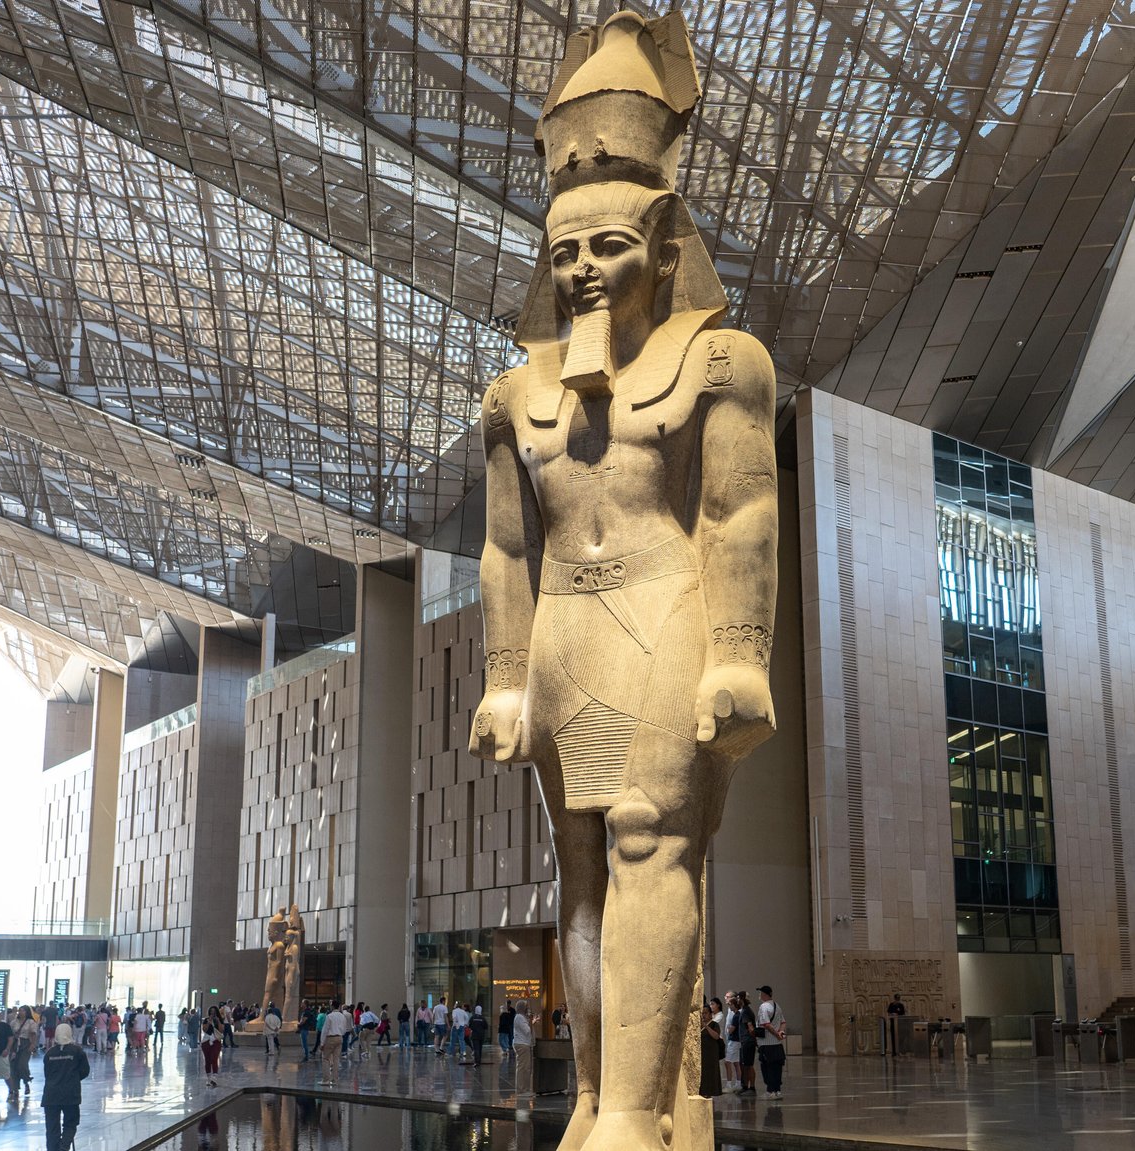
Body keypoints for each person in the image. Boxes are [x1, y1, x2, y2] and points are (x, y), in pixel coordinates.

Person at [468, 15, 779, 1148]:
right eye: (564, 253)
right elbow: (505, 547)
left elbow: (739, 508)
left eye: (605, 247)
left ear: (660, 238)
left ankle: (640, 1110)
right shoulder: (513, 398)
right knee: (584, 864)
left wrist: (740, 650)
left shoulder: (719, 362)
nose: (583, 271)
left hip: (667, 607)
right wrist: (504, 679)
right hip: (562, 628)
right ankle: (600, 1093)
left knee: (652, 832)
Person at [42, 1023, 92, 1151]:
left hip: (51, 1095)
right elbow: (85, 1071)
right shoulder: (77, 1052)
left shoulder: (49, 1053)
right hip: (71, 1094)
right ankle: (64, 1146)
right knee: (71, 1123)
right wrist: (73, 1079)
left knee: (52, 1127)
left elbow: (47, 1074)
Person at [753, 987, 786, 1100]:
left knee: (767, 1068)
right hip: (777, 1045)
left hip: (766, 1043)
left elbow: (766, 1024)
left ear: (764, 994)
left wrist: (776, 1034)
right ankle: (777, 1091)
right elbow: (783, 1022)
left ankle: (770, 1091)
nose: (759, 995)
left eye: (760, 993)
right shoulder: (777, 1006)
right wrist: (780, 1032)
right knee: (777, 1068)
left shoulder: (763, 1007)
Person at [728, 992, 755, 1096]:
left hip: (747, 1042)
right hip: (744, 1042)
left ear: (742, 999)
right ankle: (745, 1086)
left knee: (748, 1065)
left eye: (739, 998)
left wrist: (752, 1039)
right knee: (744, 1065)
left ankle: (751, 1088)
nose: (737, 1000)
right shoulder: (743, 1011)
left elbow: (750, 1027)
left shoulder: (746, 1012)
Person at [697, 999, 723, 1098]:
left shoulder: (714, 1024)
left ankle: (711, 1091)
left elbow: (716, 1036)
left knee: (711, 1072)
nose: (704, 1015)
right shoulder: (698, 1025)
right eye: (702, 1013)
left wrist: (706, 1027)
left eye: (706, 1013)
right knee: (703, 1073)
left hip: (711, 1053)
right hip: (702, 1052)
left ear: (710, 1014)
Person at [320, 1001, 350, 1082]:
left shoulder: (329, 1016)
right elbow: (344, 1029)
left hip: (330, 1038)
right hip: (339, 1038)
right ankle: (335, 1079)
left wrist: (322, 1043)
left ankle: (326, 1079)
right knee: (336, 1059)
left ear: (332, 1006)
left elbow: (325, 1030)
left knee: (325, 1058)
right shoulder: (342, 1016)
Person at [512, 1000, 536, 1097]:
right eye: (526, 1007)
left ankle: (525, 1088)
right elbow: (527, 1030)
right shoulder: (519, 1018)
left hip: (524, 1043)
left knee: (526, 1068)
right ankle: (522, 1090)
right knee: (523, 1068)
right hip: (522, 1044)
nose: (528, 1009)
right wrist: (531, 1021)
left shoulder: (521, 1017)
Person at [199, 1017, 223, 1087]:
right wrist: (208, 1023)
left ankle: (214, 1077)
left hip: (216, 1041)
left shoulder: (218, 1020)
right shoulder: (206, 1020)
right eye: (211, 1012)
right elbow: (204, 1030)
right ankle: (209, 1078)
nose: (212, 1014)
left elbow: (221, 1031)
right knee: (207, 1060)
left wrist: (218, 1021)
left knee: (214, 1058)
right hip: (206, 1041)